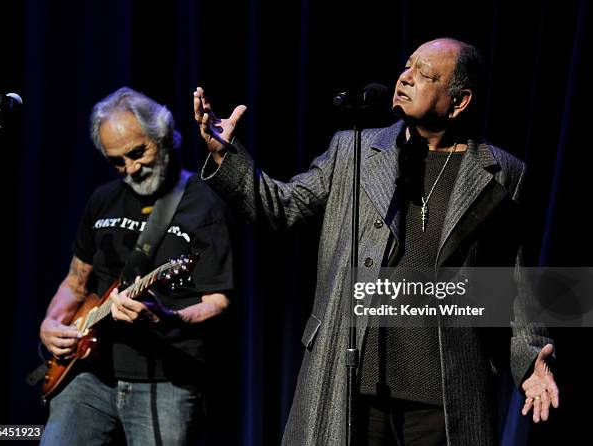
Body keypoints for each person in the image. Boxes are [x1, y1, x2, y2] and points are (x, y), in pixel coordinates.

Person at [193, 37, 559, 445]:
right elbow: (284, 206)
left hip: (443, 388)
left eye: (425, 75)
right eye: (407, 67)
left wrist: (531, 357)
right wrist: (227, 158)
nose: (405, 78)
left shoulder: (501, 172)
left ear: (459, 101)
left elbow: (518, 277)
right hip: (354, 375)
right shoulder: (356, 149)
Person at [39, 87, 234, 445]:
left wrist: (168, 318)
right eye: (117, 161)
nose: (130, 168)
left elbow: (218, 301)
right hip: (86, 376)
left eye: (137, 152)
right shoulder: (103, 199)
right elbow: (75, 281)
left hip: (165, 382)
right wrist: (51, 323)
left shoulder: (205, 203)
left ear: (162, 137)